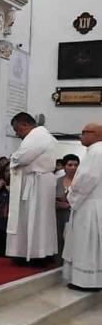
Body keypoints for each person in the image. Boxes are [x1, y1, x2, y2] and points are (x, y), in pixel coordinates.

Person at [7, 112, 58, 266]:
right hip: (35, 181)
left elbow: (22, 157)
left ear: (25, 125)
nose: (17, 134)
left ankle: (37, 255)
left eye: (17, 130)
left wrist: (13, 157)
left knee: (37, 219)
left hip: (38, 182)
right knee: (31, 219)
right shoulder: (39, 135)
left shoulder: (38, 135)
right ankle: (26, 252)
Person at [63, 124, 102, 291]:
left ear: (94, 134)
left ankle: (86, 281)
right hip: (95, 203)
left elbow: (87, 179)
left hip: (89, 205)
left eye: (84, 133)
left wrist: (71, 195)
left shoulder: (96, 152)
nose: (81, 136)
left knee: (87, 243)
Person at [56, 153, 79, 255]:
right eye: (70, 165)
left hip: (75, 216)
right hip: (59, 216)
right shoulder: (57, 182)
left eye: (75, 165)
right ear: (64, 167)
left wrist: (70, 204)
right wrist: (57, 203)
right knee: (59, 239)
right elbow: (49, 199)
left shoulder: (81, 182)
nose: (73, 167)